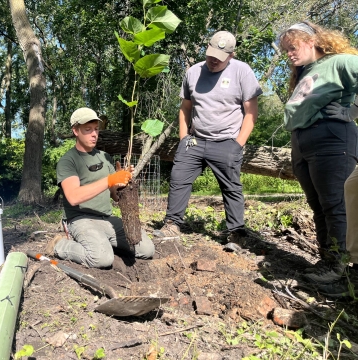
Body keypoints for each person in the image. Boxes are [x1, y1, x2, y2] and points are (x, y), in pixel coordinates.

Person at [154, 31, 262, 239]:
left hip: (226, 142)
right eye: (210, 54)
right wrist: (184, 137)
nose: (213, 60)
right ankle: (172, 224)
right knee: (178, 179)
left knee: (231, 187)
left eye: (219, 58)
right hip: (195, 140)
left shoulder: (242, 72)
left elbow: (251, 113)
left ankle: (236, 233)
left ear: (231, 55)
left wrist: (237, 144)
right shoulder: (193, 72)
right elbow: (185, 108)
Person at [279, 21, 358, 283]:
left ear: (311, 40)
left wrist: (351, 112)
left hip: (331, 137)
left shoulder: (340, 62)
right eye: (286, 50)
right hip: (302, 140)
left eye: (293, 47)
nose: (289, 54)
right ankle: (328, 259)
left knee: (335, 204)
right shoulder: (305, 72)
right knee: (318, 205)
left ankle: (340, 265)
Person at [47, 107, 155, 268]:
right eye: (88, 129)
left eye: (96, 129)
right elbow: (73, 196)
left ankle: (102, 242)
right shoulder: (68, 161)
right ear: (76, 131)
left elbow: (114, 194)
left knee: (146, 249)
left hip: (106, 218)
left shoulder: (104, 157)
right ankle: (60, 245)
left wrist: (121, 184)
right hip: (80, 219)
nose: (94, 134)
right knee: (101, 259)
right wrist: (110, 180)